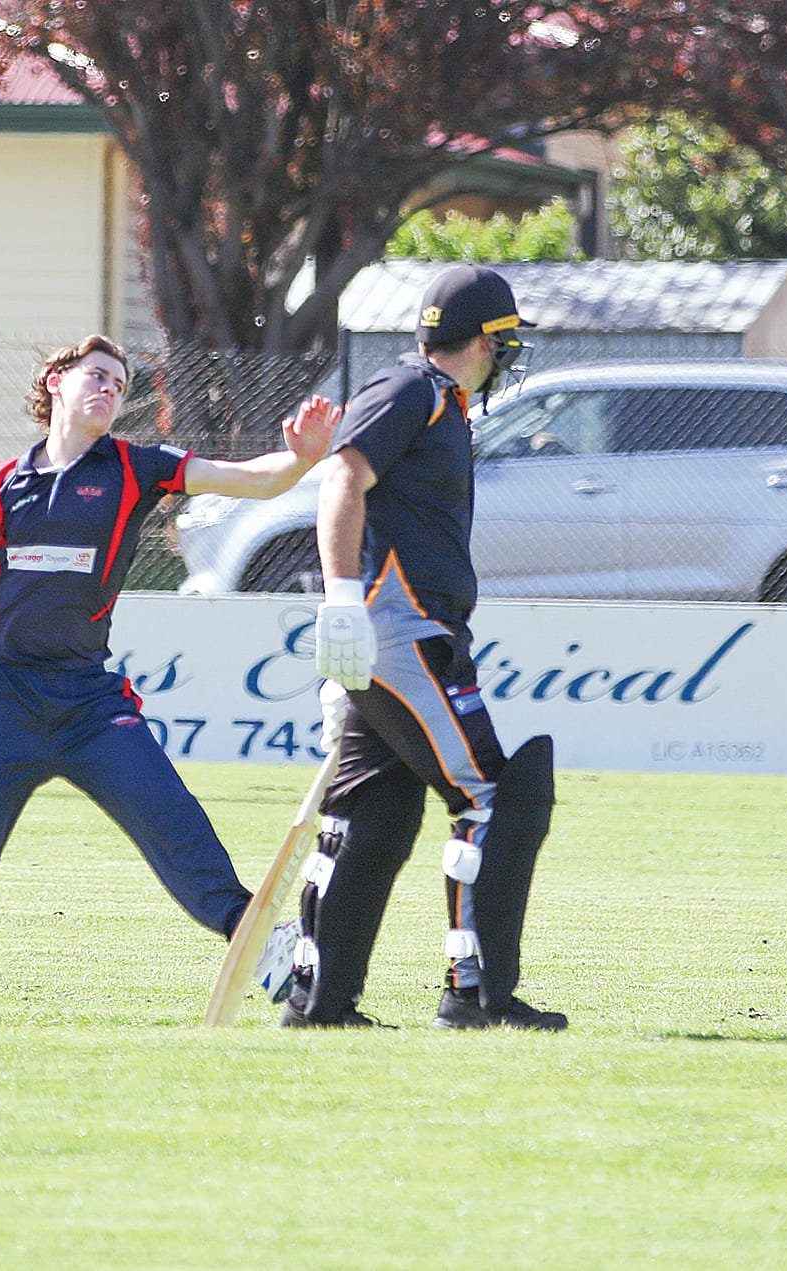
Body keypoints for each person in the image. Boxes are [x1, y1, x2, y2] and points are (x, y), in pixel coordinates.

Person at [0, 334, 339, 1024]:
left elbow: (252, 480)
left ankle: (262, 942)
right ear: (55, 382)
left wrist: (300, 458)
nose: (110, 388)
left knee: (175, 825)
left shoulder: (137, 467)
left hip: (88, 701)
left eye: (119, 382)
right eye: (96, 375)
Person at [283, 264, 567, 1030]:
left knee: (375, 808)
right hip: (402, 629)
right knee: (492, 796)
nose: (510, 355)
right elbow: (342, 477)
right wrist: (342, 599)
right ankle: (475, 992)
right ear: (484, 339)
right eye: (505, 339)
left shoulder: (441, 401)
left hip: (405, 630)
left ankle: (319, 1001)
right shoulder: (412, 389)